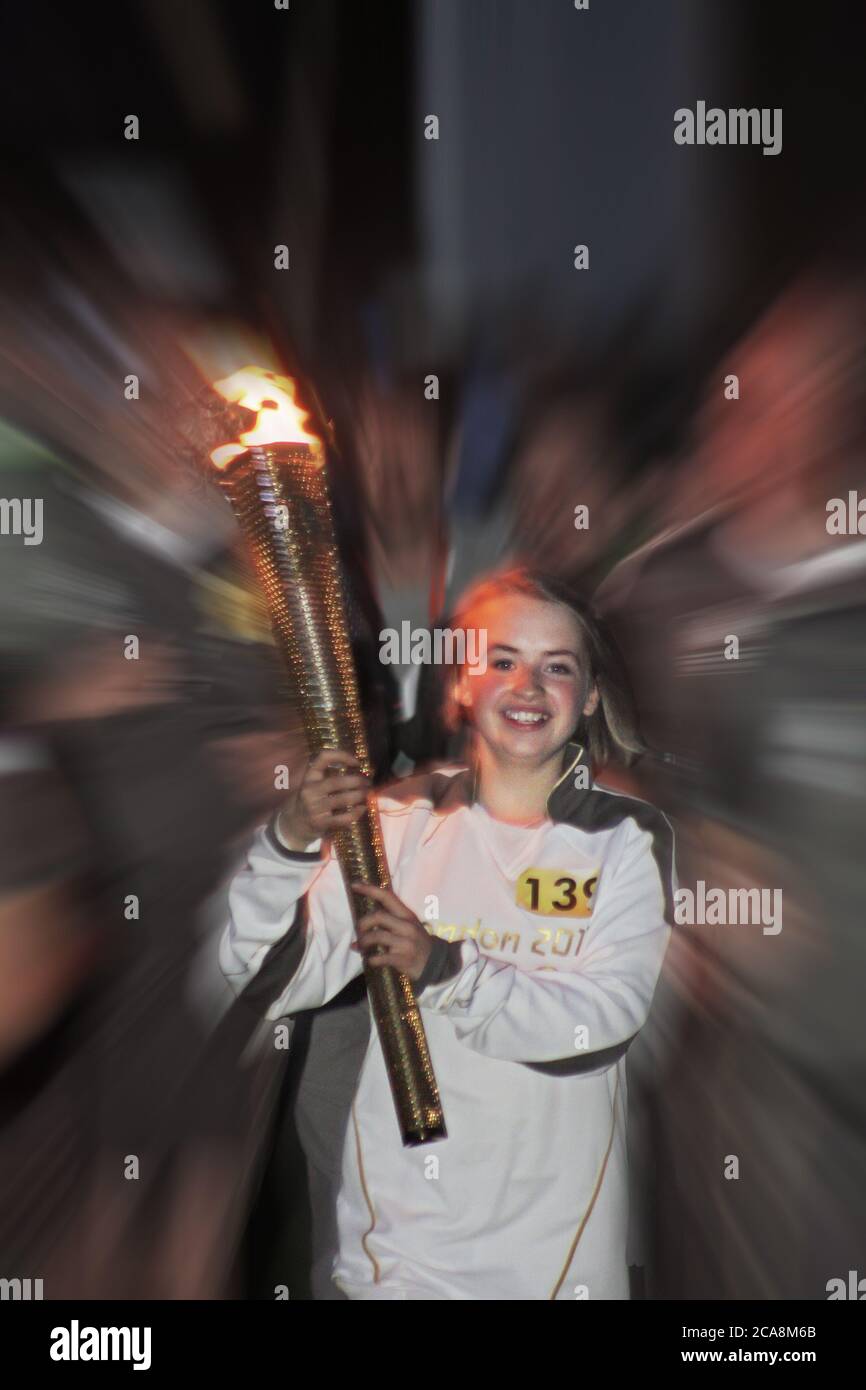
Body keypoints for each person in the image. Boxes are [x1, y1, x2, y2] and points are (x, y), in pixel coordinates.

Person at [220, 567, 674, 1299]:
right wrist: (292, 841)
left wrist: (445, 969)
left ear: (587, 697)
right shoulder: (394, 825)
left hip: (557, 1264)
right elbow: (268, 978)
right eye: (501, 660)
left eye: (556, 667)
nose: (527, 684)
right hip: (401, 1258)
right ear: (461, 687)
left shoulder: (626, 837)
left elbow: (603, 1024)